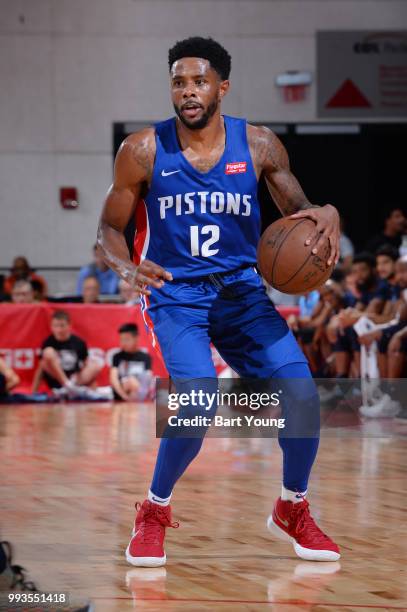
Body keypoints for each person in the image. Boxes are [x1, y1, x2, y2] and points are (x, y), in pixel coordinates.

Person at [97, 37, 341, 566]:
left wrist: (329, 213)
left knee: (301, 394)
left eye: (199, 81)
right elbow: (108, 230)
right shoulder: (141, 150)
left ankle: (291, 507)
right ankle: (153, 511)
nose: (188, 91)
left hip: (242, 291)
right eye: (178, 81)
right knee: (197, 399)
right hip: (176, 295)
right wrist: (125, 266)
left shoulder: (257, 145)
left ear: (221, 87)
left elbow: (300, 211)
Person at [35, 310, 103, 393]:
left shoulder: (79, 342)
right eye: (55, 326)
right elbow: (41, 367)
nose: (58, 330)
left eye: (62, 326)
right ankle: (66, 385)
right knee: (47, 353)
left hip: (75, 380)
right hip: (57, 381)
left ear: (69, 325)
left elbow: (85, 365)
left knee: (96, 364)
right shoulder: (48, 342)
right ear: (51, 326)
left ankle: (72, 387)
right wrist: (34, 391)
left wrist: (92, 387)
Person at [110, 323, 153, 400]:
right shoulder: (117, 357)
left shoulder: (145, 357)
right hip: (121, 393)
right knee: (130, 381)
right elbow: (113, 379)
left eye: (126, 339)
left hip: (139, 393)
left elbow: (147, 378)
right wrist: (123, 396)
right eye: (121, 339)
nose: (123, 343)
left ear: (136, 338)